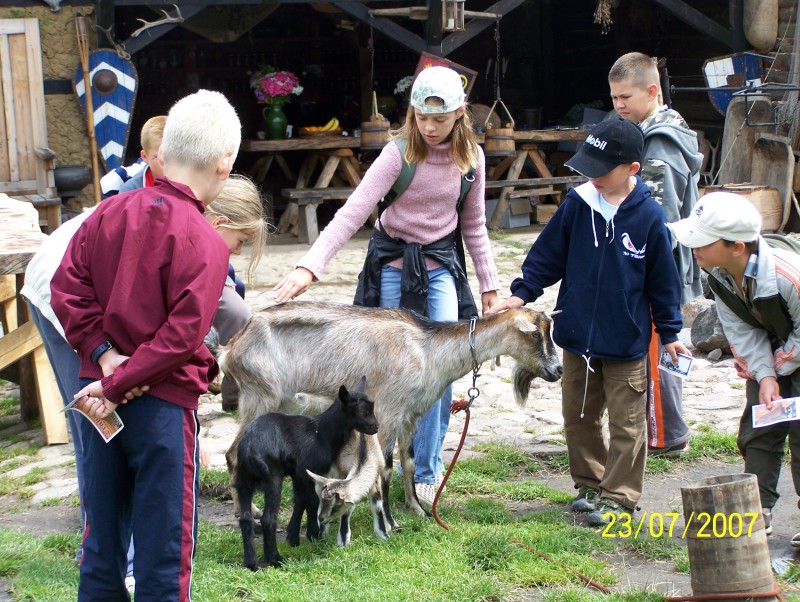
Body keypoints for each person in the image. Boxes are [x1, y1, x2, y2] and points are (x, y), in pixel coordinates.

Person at [20, 172, 264, 592]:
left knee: (104, 494)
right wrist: (110, 367)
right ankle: (131, 564)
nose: (238, 251)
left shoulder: (134, 212)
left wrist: (114, 368)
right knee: (145, 515)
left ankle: (114, 562)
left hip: (100, 341)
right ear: (219, 221)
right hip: (61, 304)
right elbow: (183, 337)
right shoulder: (200, 243)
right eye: (240, 241)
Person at [273, 66, 500, 506]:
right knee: (384, 374)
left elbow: (474, 225)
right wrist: (309, 266)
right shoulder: (397, 154)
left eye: (439, 119)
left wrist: (489, 285)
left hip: (439, 266)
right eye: (421, 117)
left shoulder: (471, 159)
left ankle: (426, 470)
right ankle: (372, 465)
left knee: (441, 369)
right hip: (392, 266)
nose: (429, 127)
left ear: (459, 114)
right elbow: (353, 211)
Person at [49, 89, 243, 602]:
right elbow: (182, 336)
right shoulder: (206, 240)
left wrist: (104, 356)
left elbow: (65, 288)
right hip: (161, 409)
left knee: (101, 542)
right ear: (225, 165)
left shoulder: (106, 213)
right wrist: (121, 381)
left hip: (97, 399)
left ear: (165, 150)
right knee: (163, 554)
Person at [488, 118, 688, 526]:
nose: (592, 177)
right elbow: (547, 256)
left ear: (632, 168)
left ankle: (619, 497)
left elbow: (664, 282)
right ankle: (590, 484)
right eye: (588, 167)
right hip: (577, 339)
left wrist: (670, 332)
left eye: (602, 170)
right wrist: (520, 294)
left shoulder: (650, 216)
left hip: (627, 343)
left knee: (627, 424)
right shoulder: (578, 204)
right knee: (579, 416)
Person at [668, 191, 800, 545]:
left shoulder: (789, 276)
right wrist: (766, 375)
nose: (694, 248)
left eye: (703, 242)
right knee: (760, 427)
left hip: (795, 347)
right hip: (774, 351)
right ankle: (757, 510)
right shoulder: (720, 276)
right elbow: (741, 330)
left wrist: (779, 366)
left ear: (737, 247)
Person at [609, 52, 704, 456]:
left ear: (652, 91)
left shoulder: (661, 141)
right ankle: (661, 430)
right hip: (653, 261)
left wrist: (637, 265)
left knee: (660, 347)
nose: (618, 105)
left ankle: (666, 436)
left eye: (625, 97)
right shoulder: (649, 129)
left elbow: (658, 216)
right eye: (614, 97)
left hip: (656, 263)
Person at [99, 115, 167, 198]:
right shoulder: (130, 193)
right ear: (144, 157)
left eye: (174, 155)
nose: (169, 162)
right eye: (159, 157)